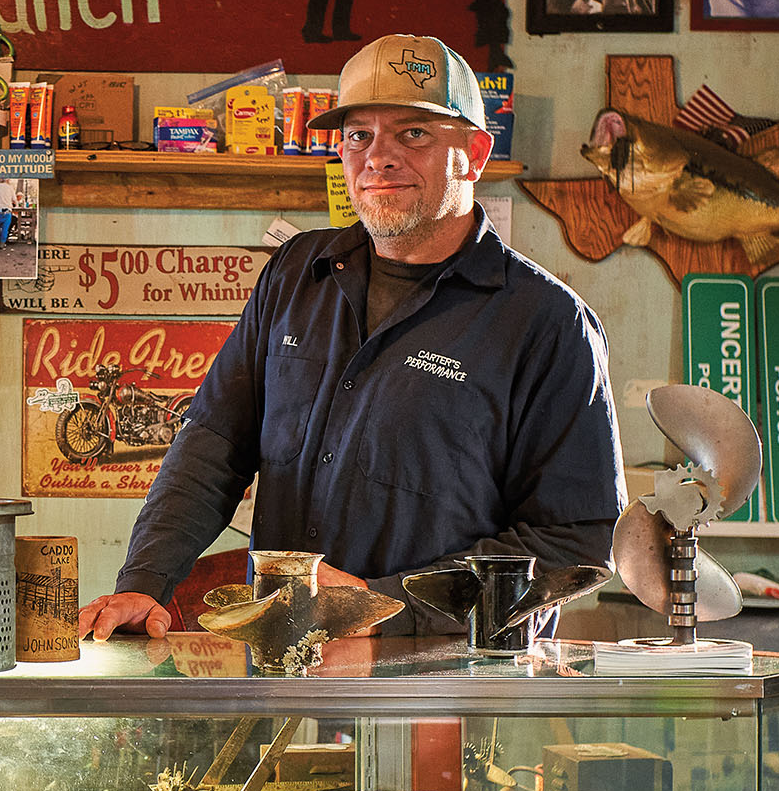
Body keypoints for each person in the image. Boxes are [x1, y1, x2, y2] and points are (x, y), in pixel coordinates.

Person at [78, 34, 625, 642]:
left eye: (413, 133)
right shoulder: (295, 273)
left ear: (473, 152)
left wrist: (379, 605)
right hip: (287, 664)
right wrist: (145, 581)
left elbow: (572, 543)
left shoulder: (547, 323)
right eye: (358, 135)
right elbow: (213, 442)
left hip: (448, 681)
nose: (378, 157)